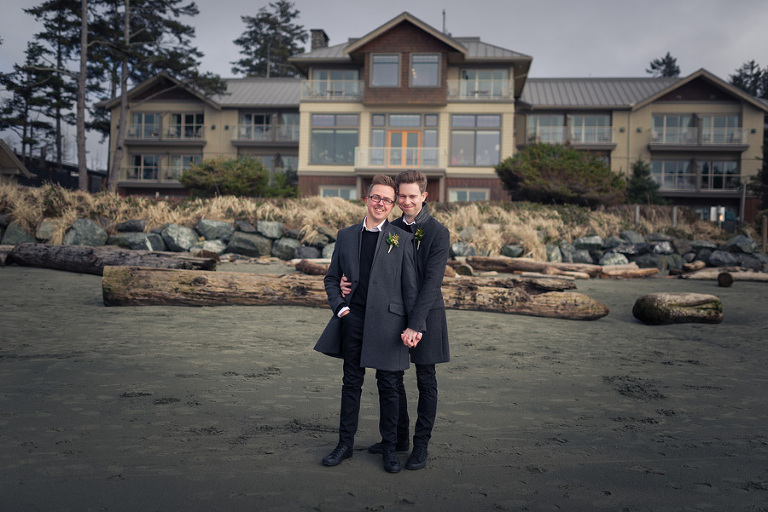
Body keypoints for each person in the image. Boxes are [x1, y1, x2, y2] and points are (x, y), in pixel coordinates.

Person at [341, 169, 450, 470]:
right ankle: (399, 438)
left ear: (424, 197)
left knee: (426, 380)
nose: (406, 201)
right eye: (401, 196)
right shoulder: (392, 228)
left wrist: (416, 324)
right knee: (393, 381)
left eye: (412, 196)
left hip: (426, 316)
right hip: (393, 317)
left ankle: (421, 445)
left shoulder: (438, 232)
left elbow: (431, 283)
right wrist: (344, 283)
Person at [314, 174, 419, 474]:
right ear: (367, 198)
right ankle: (344, 445)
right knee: (351, 384)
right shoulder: (346, 236)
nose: (381, 204)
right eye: (376, 197)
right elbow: (332, 279)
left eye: (387, 199)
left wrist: (414, 325)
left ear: (393, 204)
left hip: (389, 322)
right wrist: (341, 308)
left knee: (388, 386)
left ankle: (389, 448)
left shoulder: (402, 239)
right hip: (354, 321)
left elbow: (410, 288)